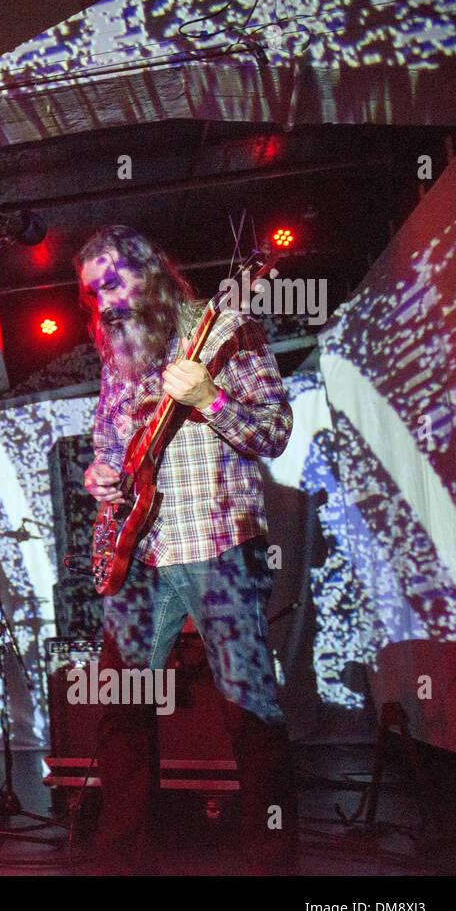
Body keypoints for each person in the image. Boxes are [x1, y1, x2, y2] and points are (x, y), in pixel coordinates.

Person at [76, 225, 297, 875]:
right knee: (122, 715)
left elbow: (274, 429)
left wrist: (210, 398)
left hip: (217, 542)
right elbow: (107, 451)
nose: (108, 300)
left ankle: (272, 865)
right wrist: (101, 476)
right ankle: (123, 863)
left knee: (249, 718)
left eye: (114, 280)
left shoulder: (228, 327)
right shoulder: (116, 356)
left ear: (149, 267)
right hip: (141, 553)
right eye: (95, 293)